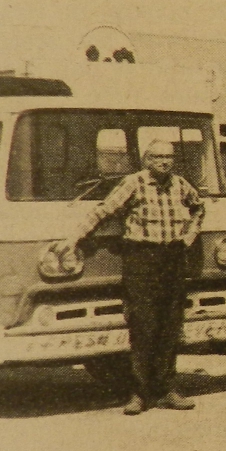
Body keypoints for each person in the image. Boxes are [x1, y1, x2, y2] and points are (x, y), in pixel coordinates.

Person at [52, 139, 204, 415]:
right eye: (158, 157)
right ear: (147, 159)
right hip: (141, 259)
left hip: (172, 259)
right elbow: (104, 211)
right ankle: (139, 393)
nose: (164, 162)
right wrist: (74, 238)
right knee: (143, 325)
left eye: (169, 157)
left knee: (170, 325)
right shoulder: (134, 183)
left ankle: (167, 388)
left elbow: (198, 207)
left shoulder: (180, 184)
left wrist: (189, 236)